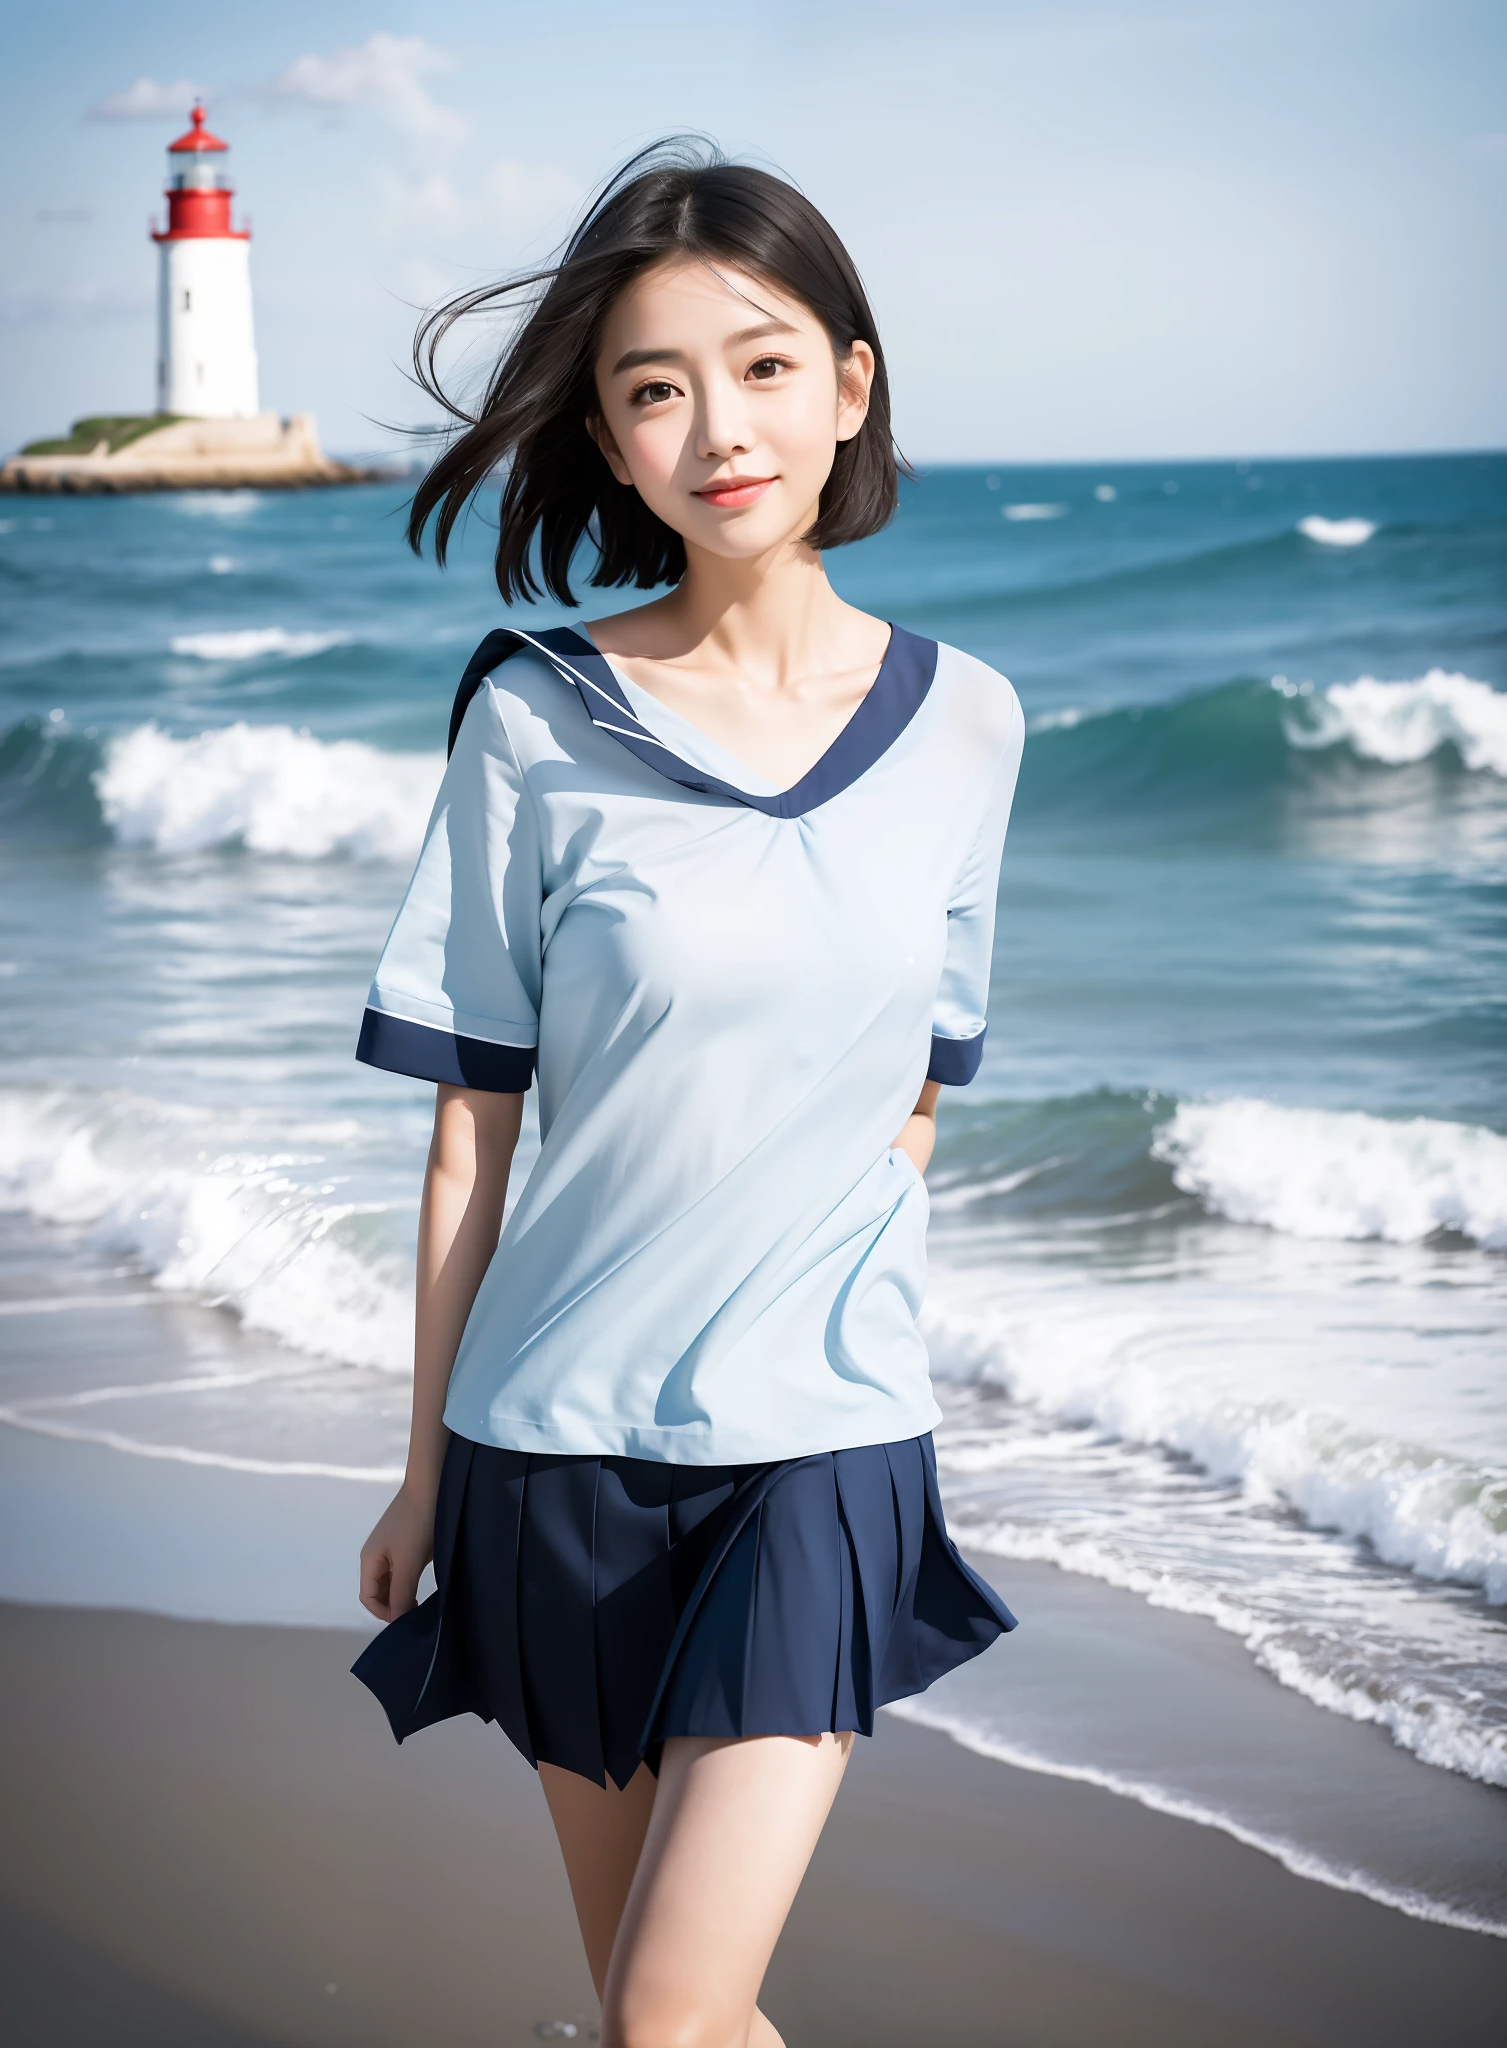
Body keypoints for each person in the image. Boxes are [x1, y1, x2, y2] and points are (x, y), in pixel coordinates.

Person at [352, 140, 1024, 2048]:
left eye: (761, 365)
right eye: (656, 389)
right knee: (681, 2022)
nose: (716, 425)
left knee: (661, 2014)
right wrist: (423, 1469)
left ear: (850, 386)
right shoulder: (533, 720)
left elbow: (920, 1089)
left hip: (817, 1440)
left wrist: (851, 1317)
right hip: (548, 1450)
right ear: (616, 443)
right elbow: (473, 1122)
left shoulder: (968, 720)